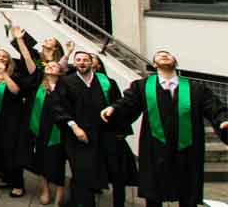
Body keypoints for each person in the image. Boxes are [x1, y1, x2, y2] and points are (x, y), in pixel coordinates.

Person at [101, 50, 228, 207]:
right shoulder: (142, 86)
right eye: (159, 55)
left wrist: (222, 121)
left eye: (168, 54)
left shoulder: (195, 88)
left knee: (187, 192)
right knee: (154, 192)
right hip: (155, 147)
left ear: (175, 61)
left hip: (187, 148)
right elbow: (128, 103)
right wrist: (114, 109)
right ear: (154, 64)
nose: (164, 55)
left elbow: (213, 106)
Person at [52, 50, 135, 207]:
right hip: (79, 136)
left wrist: (121, 132)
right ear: (74, 63)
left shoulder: (107, 82)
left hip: (106, 134)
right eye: (78, 60)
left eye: (85, 59)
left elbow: (119, 106)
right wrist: (74, 127)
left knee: (116, 172)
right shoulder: (65, 82)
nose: (82, 62)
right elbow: (59, 107)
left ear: (93, 63)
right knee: (83, 173)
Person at [0, 47, 29, 198]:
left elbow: (16, 91)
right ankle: (6, 179)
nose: (1, 58)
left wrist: (5, 75)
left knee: (11, 151)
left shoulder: (15, 75)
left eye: (4, 56)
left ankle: (18, 184)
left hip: (11, 121)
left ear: (8, 61)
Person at [27, 61, 67, 205]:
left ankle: (59, 195)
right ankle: (45, 190)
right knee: (41, 160)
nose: (50, 66)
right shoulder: (39, 84)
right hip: (41, 127)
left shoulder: (66, 87)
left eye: (54, 65)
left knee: (58, 163)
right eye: (48, 65)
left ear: (61, 71)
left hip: (59, 129)